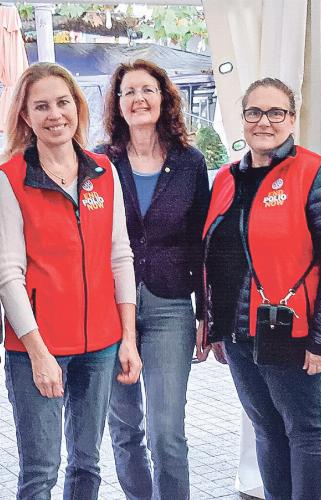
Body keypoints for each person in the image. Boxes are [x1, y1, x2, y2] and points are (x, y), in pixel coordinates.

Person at [0, 62, 142, 499]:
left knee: (87, 463)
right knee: (40, 470)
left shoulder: (102, 171)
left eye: (63, 103)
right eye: (41, 106)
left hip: (101, 345)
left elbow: (120, 256)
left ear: (77, 108)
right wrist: (38, 353)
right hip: (37, 348)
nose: (54, 115)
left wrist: (127, 338)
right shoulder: (11, 179)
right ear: (25, 116)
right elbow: (7, 275)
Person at [201, 77, 321, 500]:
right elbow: (215, 257)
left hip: (292, 330)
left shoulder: (315, 173)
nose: (264, 122)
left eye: (276, 113)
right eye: (254, 112)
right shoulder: (226, 179)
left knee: (305, 431)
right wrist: (213, 326)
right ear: (243, 118)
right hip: (239, 334)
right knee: (266, 428)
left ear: (292, 118)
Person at [98, 59, 210, 499]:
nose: (138, 99)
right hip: (111, 308)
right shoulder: (100, 162)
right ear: (118, 104)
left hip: (170, 306)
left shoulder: (190, 163)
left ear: (163, 99)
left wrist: (208, 314)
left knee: (167, 433)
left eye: (147, 90)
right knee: (125, 429)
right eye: (128, 92)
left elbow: (201, 241)